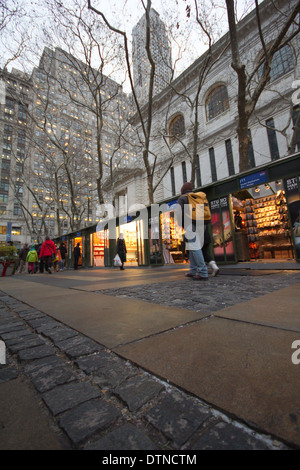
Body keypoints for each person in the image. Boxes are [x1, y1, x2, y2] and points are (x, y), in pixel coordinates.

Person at [176, 182, 209, 280]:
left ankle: (203, 272)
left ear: (182, 190)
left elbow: (179, 214)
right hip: (202, 225)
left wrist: (182, 225)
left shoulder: (183, 198)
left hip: (190, 225)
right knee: (192, 247)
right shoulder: (197, 198)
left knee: (195, 248)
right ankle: (193, 270)